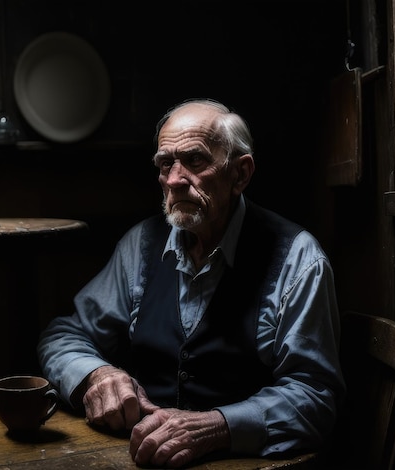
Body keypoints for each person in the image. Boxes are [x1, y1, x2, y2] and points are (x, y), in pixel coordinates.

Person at [37, 98, 345, 468]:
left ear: (240, 174)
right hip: (143, 457)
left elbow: (315, 396)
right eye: (165, 163)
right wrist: (94, 375)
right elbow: (64, 335)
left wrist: (217, 428)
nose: (174, 179)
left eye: (195, 160)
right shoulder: (142, 245)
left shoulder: (297, 258)